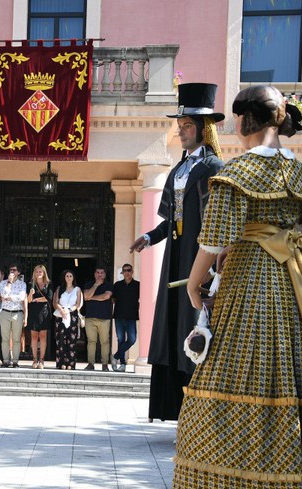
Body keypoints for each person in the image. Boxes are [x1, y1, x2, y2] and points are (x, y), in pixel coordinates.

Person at [170, 85, 302, 489]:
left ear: (244, 121)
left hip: (252, 283)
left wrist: (194, 283)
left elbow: (213, 240)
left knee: (243, 372)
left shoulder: (238, 173)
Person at [130, 82, 225, 420]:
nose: (181, 131)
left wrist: (215, 268)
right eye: (180, 125)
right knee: (172, 329)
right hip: (175, 258)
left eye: (187, 126)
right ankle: (176, 410)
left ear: (204, 128)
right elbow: (171, 221)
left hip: (199, 259)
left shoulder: (215, 169)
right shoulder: (178, 170)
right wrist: (149, 237)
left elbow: (220, 223)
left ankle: (200, 414)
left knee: (194, 327)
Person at [82, 266, 113, 371]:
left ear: (105, 274)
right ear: (94, 274)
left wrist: (92, 297)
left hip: (104, 318)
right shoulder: (89, 284)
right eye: (98, 272)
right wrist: (96, 285)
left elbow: (106, 296)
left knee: (104, 341)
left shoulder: (109, 284)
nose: (100, 274)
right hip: (90, 317)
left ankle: (105, 364)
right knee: (91, 341)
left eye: (102, 272)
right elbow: (86, 296)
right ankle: (91, 364)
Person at [111, 264, 139, 372]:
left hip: (131, 317)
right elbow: (113, 299)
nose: (127, 272)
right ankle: (122, 364)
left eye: (129, 270)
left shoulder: (138, 285)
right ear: (122, 273)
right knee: (121, 340)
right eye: (124, 270)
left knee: (132, 339)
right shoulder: (117, 285)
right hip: (119, 316)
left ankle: (115, 356)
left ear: (132, 272)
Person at [0, 263, 28, 368]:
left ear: (18, 272)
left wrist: (9, 297)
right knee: (5, 338)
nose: (12, 272)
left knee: (16, 339)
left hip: (17, 313)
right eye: (11, 270)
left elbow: (21, 297)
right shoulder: (3, 283)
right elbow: (3, 295)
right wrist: (9, 283)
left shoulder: (22, 284)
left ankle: (15, 361)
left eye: (14, 270)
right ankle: (6, 360)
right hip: (5, 312)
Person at [53, 270, 82, 370]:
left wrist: (68, 310)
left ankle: (70, 363)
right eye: (67, 276)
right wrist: (62, 310)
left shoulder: (77, 289)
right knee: (60, 340)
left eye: (70, 276)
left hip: (72, 315)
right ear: (64, 278)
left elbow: (78, 304)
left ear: (73, 278)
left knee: (72, 340)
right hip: (60, 315)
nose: (69, 278)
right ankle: (61, 363)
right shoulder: (59, 288)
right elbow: (56, 302)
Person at [27, 264, 53, 369]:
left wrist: (36, 299)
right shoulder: (30, 284)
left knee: (43, 336)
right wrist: (30, 294)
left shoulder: (49, 284)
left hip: (44, 312)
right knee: (33, 336)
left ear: (44, 273)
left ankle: (41, 360)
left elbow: (49, 298)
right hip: (33, 312)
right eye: (37, 272)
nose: (38, 274)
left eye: (40, 272)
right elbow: (28, 300)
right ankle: (34, 359)